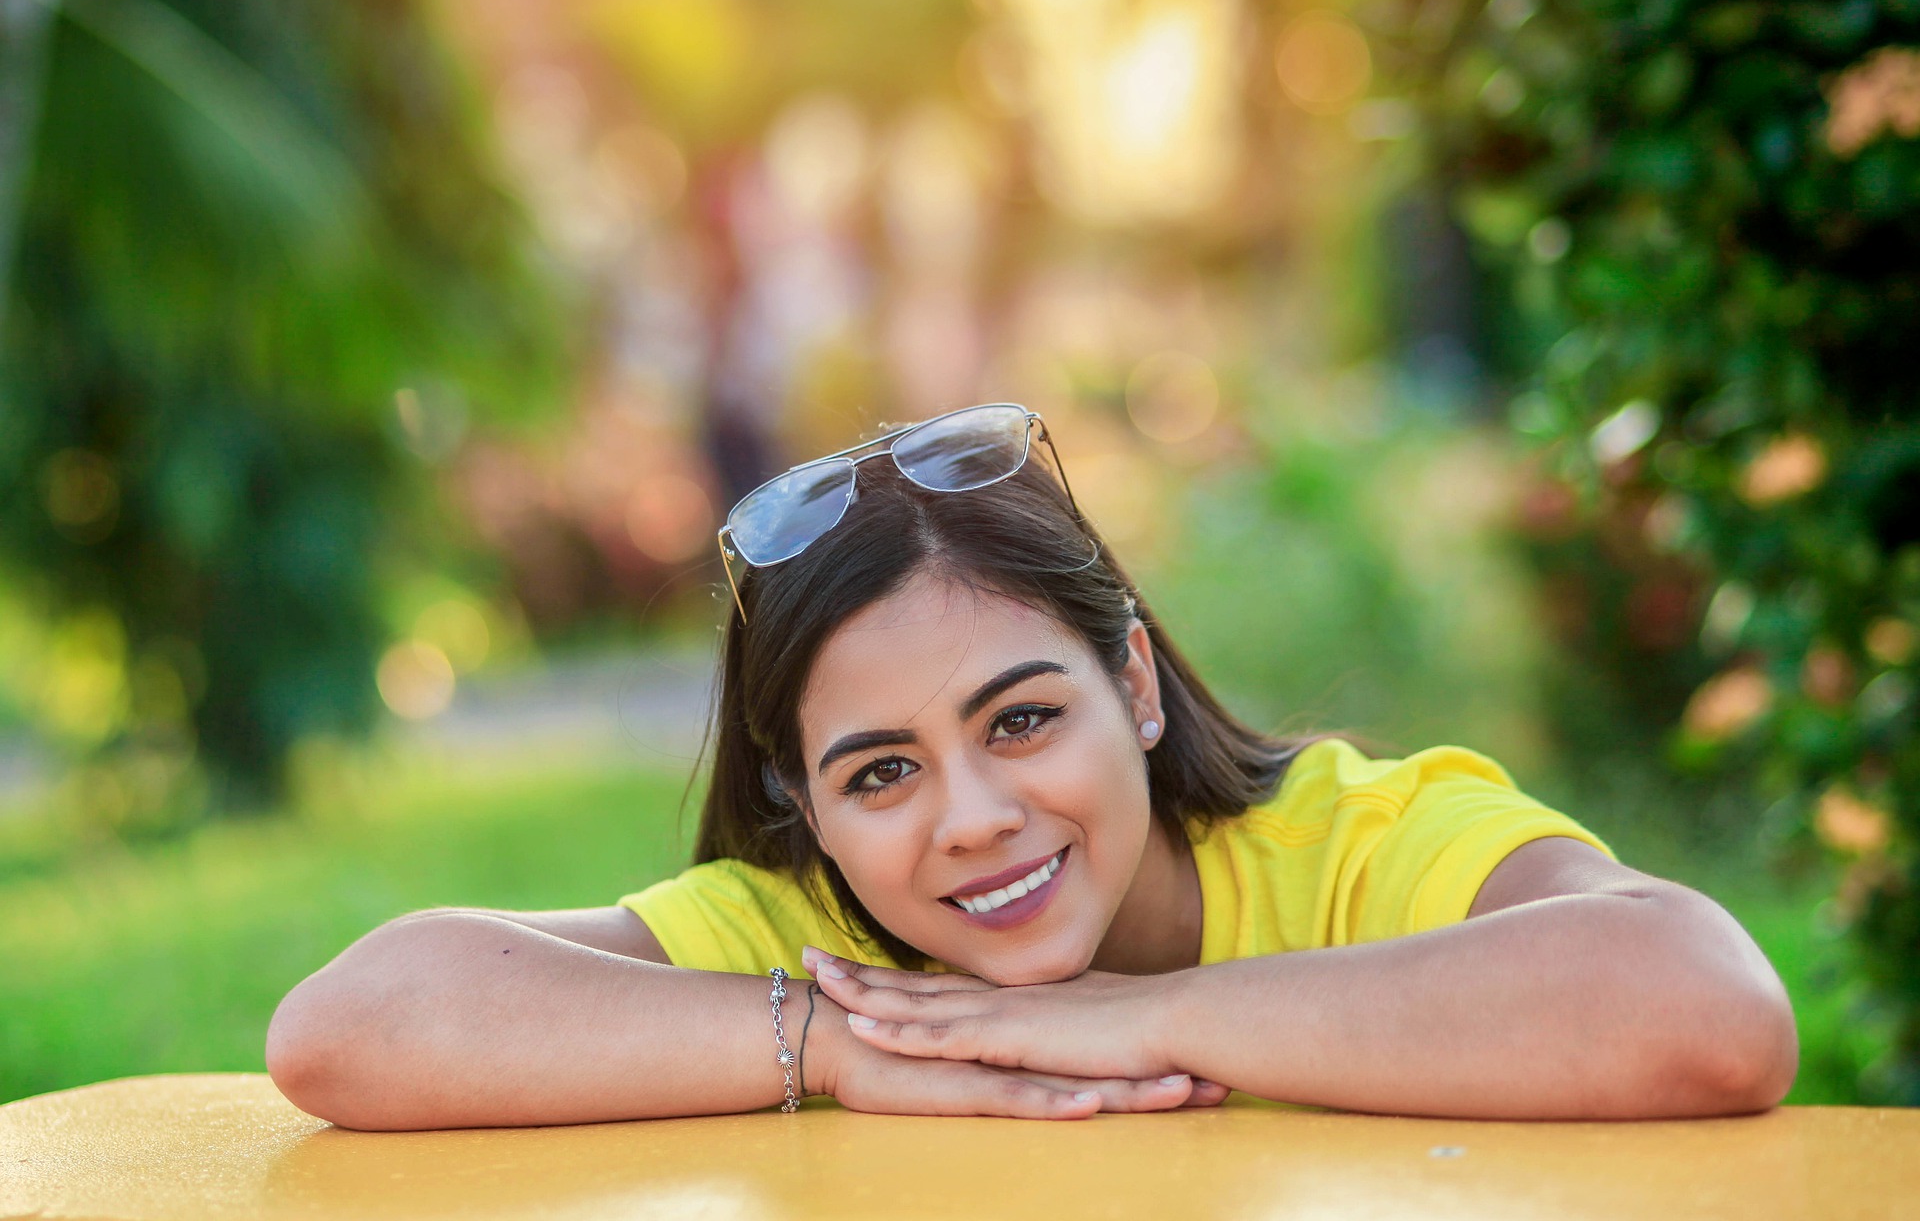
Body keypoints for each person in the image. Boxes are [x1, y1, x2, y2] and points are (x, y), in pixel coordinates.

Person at [266, 403, 1798, 1131]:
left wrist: (1139, 1016)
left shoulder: (1353, 843)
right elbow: (348, 1030)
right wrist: (835, 1049)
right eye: (880, 774)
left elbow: (1709, 1009)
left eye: (1019, 721)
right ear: (805, 804)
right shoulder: (818, 949)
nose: (974, 819)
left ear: (1131, 681)